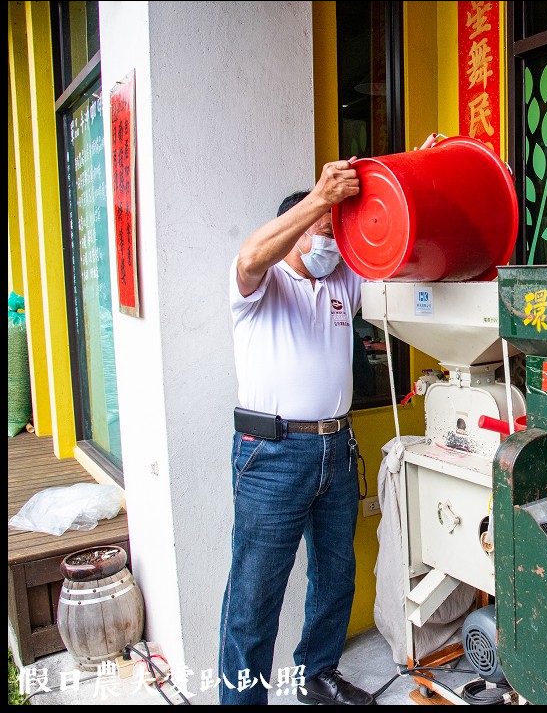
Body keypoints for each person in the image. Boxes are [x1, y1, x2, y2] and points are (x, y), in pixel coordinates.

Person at [219, 136, 438, 705]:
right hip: (271, 456)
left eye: (335, 233)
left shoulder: (342, 280)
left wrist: (412, 171)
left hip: (336, 451)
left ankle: (317, 675)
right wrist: (317, 199)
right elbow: (248, 257)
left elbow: (387, 242)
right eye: (323, 232)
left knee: (336, 577)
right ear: (297, 228)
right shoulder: (261, 286)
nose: (331, 244)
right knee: (255, 594)